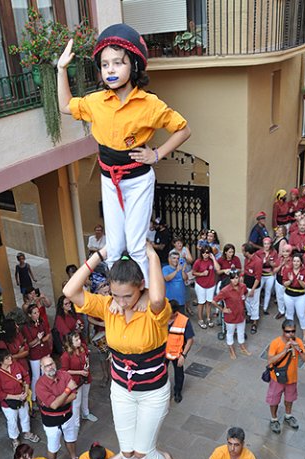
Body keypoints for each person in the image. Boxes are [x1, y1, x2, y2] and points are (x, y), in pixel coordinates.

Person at [58, 23, 190, 284]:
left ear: (134, 66)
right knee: (115, 245)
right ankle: (118, 293)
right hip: (109, 180)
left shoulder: (149, 104)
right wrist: (61, 69)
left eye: (118, 63)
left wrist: (156, 154)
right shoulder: (96, 101)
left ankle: (148, 293)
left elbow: (183, 130)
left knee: (137, 244)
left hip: (138, 180)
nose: (110, 70)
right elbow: (64, 106)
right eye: (105, 64)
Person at [63, 243, 172, 459]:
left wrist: (152, 255)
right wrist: (101, 254)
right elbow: (71, 291)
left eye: (128, 295)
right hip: (122, 390)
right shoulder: (108, 307)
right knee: (129, 454)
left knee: (145, 452)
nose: (121, 302)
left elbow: (157, 297)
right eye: (116, 295)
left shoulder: (152, 311)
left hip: (152, 392)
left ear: (141, 286)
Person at [0, 348, 39, 450]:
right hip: (9, 403)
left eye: (9, 356)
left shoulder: (16, 365)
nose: (10, 358)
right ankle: (15, 438)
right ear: (1, 361)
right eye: (7, 358)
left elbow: (26, 377)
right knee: (12, 421)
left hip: (22, 397)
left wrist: (26, 391)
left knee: (25, 415)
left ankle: (27, 432)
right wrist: (16, 397)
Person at [266, 319, 305, 433]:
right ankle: (274, 419)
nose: (291, 334)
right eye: (288, 331)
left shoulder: (298, 341)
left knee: (290, 398)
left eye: (293, 331)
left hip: (292, 378)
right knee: (274, 399)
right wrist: (284, 351)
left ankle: (288, 416)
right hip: (277, 378)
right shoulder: (275, 343)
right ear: (282, 331)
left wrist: (299, 348)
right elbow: (270, 360)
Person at [36, 356, 79, 459]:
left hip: (68, 415)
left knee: (71, 438)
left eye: (51, 364)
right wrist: (67, 390)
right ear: (42, 368)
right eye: (46, 366)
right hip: (51, 422)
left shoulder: (64, 375)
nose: (50, 367)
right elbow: (54, 405)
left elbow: (74, 395)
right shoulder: (40, 385)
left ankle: (73, 457)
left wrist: (57, 402)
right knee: (53, 446)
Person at [60, 332, 98, 434]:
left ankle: (85, 413)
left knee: (85, 396)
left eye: (79, 339)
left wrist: (86, 367)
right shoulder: (66, 355)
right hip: (76, 381)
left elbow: (87, 358)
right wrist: (80, 372)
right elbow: (65, 371)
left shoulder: (83, 348)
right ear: (70, 343)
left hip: (85, 377)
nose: (79, 341)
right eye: (76, 340)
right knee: (76, 404)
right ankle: (76, 425)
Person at [211, 271, 251, 359]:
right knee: (230, 333)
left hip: (241, 314)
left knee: (241, 331)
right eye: (233, 278)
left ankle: (242, 346)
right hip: (230, 316)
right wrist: (222, 309)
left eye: (236, 278)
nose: (235, 280)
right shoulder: (225, 290)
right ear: (230, 279)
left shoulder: (243, 286)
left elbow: (246, 292)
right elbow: (214, 301)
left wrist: (244, 298)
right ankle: (231, 349)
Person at [165, 299, 195, 402]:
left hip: (177, 353)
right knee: (161, 374)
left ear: (175, 313)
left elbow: (190, 340)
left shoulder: (184, 321)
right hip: (162, 353)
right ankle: (162, 392)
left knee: (179, 375)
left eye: (168, 313)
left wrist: (183, 355)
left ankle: (177, 392)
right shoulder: (161, 318)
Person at [21, 304, 52, 403]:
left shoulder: (42, 322)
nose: (37, 314)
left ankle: (46, 394)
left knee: (46, 373)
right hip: (35, 355)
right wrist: (37, 339)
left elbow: (48, 335)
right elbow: (30, 344)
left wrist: (40, 340)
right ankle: (34, 397)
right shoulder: (26, 327)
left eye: (38, 312)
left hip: (45, 351)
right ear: (29, 315)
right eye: (34, 313)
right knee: (36, 376)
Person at [282, 254, 305, 343]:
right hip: (289, 295)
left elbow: (304, 285)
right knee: (290, 314)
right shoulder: (287, 270)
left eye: (298, 261)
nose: (296, 263)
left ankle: (304, 333)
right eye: (294, 261)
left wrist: (298, 279)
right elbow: (284, 284)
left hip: (300, 296)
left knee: (301, 315)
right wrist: (290, 280)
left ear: (301, 262)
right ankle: (290, 333)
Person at [193, 246, 219, 329]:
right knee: (201, 303)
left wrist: (214, 258)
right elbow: (193, 272)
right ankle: (200, 320)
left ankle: (208, 318)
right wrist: (201, 274)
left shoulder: (212, 261)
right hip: (200, 285)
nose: (205, 254)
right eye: (203, 252)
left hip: (211, 285)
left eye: (207, 252)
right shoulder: (198, 262)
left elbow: (218, 269)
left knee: (208, 303)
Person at [242, 244, 263, 334]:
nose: (242, 252)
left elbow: (258, 278)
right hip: (246, 283)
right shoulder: (247, 259)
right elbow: (245, 271)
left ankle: (255, 322)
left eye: (243, 250)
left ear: (247, 252)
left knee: (254, 303)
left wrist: (253, 290)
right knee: (247, 301)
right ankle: (250, 316)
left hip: (254, 285)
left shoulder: (258, 261)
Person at [256, 237, 279, 315]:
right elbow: (256, 265)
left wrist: (270, 263)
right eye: (265, 244)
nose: (266, 246)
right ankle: (257, 306)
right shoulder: (259, 253)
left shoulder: (274, 252)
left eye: (268, 244)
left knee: (268, 291)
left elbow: (276, 264)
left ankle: (265, 308)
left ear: (270, 244)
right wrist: (263, 262)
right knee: (258, 290)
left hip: (270, 274)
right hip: (261, 274)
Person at [163, 249, 188, 314]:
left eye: (177, 258)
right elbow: (167, 278)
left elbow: (185, 278)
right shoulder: (165, 268)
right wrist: (176, 271)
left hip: (181, 300)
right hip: (170, 300)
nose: (176, 260)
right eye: (174, 258)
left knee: (181, 319)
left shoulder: (181, 268)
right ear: (169, 259)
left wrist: (182, 270)